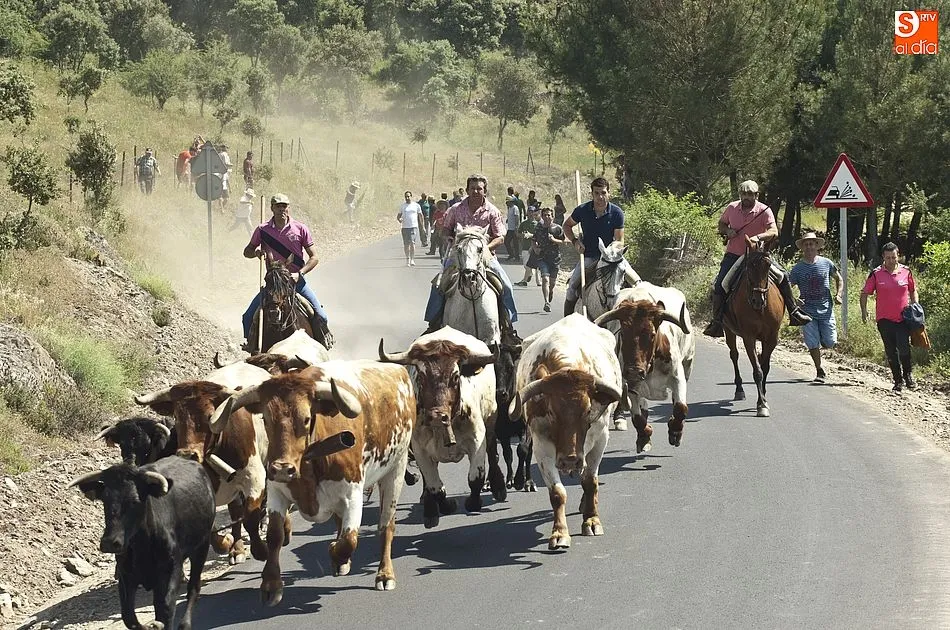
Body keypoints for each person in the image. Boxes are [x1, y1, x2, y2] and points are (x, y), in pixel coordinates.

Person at [703, 179, 812, 337]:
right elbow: (721, 224)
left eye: (750, 194)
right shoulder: (732, 208)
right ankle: (717, 322)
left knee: (783, 276)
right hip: (734, 254)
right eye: (743, 194)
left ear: (756, 195)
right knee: (720, 285)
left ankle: (794, 312)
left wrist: (758, 237)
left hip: (758, 255)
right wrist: (728, 231)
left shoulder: (764, 210)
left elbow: (773, 231)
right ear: (740, 194)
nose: (746, 197)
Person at [423, 174, 521, 344]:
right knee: (438, 284)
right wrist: (448, 238)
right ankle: (433, 324)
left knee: (506, 286)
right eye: (473, 188)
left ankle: (508, 328)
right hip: (459, 255)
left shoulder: (493, 211)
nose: (476, 191)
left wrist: (484, 249)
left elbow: (500, 237)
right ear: (467, 190)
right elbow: (446, 229)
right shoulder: (455, 209)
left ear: (485, 191)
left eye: (479, 188)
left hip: (485, 256)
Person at [241, 193, 333, 350]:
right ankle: (251, 345)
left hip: (296, 282)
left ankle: (323, 345)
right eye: (278, 206)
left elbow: (314, 258)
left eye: (284, 206)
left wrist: (300, 273)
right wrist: (256, 253)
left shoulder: (300, 229)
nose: (281, 209)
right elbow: (247, 251)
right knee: (248, 316)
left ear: (288, 208)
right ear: (272, 208)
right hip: (273, 285)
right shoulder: (262, 230)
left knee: (321, 316)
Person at [562, 177, 640, 316]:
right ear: (592, 194)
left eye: (603, 193)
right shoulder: (582, 210)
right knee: (572, 287)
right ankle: (567, 321)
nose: (600, 197)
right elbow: (567, 225)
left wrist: (611, 249)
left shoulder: (617, 213)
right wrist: (575, 241)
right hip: (589, 256)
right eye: (597, 193)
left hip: (612, 258)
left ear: (609, 193)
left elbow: (619, 240)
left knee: (638, 282)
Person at [861, 242, 920, 391]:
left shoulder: (906, 271)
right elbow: (864, 293)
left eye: (894, 257)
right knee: (891, 351)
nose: (891, 260)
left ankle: (908, 376)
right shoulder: (876, 273)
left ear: (898, 255)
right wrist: (864, 310)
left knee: (904, 348)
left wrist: (915, 305)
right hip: (884, 320)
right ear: (883, 257)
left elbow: (913, 290)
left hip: (903, 318)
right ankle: (897, 380)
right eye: (888, 258)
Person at [789, 232, 842, 383]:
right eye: (806, 244)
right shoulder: (797, 269)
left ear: (817, 246)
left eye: (811, 244)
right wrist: (794, 300)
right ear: (802, 248)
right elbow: (787, 287)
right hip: (807, 311)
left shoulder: (826, 263)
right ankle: (819, 370)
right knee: (812, 342)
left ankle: (825, 341)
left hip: (826, 309)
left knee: (830, 341)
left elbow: (839, 278)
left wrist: (839, 294)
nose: (809, 246)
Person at [531, 207, 566, 313]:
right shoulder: (539, 227)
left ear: (553, 217)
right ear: (542, 216)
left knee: (552, 282)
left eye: (549, 215)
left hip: (555, 259)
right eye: (545, 215)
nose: (547, 217)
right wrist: (535, 248)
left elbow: (564, 242)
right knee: (545, 279)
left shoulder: (557, 228)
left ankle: (550, 291)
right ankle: (546, 302)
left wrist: (554, 240)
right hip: (543, 257)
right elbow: (533, 239)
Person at [514, 206, 542, 286]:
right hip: (525, 247)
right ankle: (529, 274)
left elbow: (541, 235)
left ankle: (537, 281)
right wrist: (522, 235)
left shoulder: (538, 224)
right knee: (526, 265)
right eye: (529, 211)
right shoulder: (523, 223)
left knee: (537, 266)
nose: (530, 213)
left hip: (535, 247)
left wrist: (531, 235)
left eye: (532, 212)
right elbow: (518, 234)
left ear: (535, 213)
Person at [398, 191, 422, 266]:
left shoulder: (416, 205)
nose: (407, 198)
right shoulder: (403, 206)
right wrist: (399, 219)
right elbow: (398, 216)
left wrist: (422, 226)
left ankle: (412, 259)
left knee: (412, 242)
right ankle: (407, 259)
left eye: (408, 196)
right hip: (405, 227)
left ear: (411, 196)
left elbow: (420, 215)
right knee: (406, 244)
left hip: (413, 226)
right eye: (406, 197)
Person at [504, 197, 522, 261]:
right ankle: (511, 254)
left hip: (514, 229)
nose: (506, 203)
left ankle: (517, 257)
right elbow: (510, 216)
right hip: (510, 228)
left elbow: (517, 218)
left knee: (515, 243)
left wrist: (516, 228)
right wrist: (507, 219)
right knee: (506, 242)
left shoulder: (515, 208)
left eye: (507, 202)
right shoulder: (509, 208)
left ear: (511, 202)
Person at [218, 144, 233, 211]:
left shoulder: (219, 155)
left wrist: (229, 188)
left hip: (224, 185)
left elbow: (227, 180)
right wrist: (230, 165)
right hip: (220, 183)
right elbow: (226, 163)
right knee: (220, 198)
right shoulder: (224, 155)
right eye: (226, 148)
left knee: (226, 198)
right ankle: (221, 209)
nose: (227, 149)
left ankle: (221, 208)